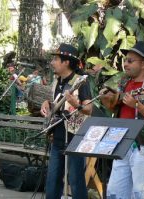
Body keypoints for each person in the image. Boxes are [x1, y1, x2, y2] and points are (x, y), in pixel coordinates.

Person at [100, 41, 144, 199]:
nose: (125, 64)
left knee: (141, 194)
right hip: (122, 142)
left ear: (143, 64)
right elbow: (116, 110)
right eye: (125, 60)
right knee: (115, 193)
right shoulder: (124, 83)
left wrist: (137, 105)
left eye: (130, 61)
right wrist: (107, 100)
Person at [40, 43, 92, 199]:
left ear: (66, 62)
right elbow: (56, 103)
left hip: (75, 138)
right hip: (57, 137)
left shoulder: (81, 81)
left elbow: (88, 109)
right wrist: (47, 103)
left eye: (55, 59)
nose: (52, 62)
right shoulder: (57, 81)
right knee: (53, 180)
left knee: (75, 180)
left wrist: (77, 104)